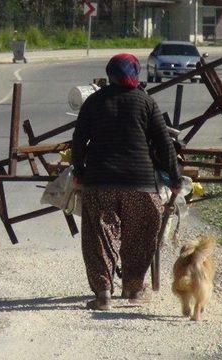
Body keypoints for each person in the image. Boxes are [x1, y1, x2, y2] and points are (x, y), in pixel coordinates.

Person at [71, 53, 181, 310]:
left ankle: (103, 294)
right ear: (136, 73)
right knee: (141, 235)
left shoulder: (94, 102)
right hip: (140, 185)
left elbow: (78, 140)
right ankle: (133, 289)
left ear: (110, 74)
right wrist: (174, 178)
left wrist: (78, 170)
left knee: (99, 236)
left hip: (100, 183)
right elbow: (164, 144)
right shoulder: (146, 102)